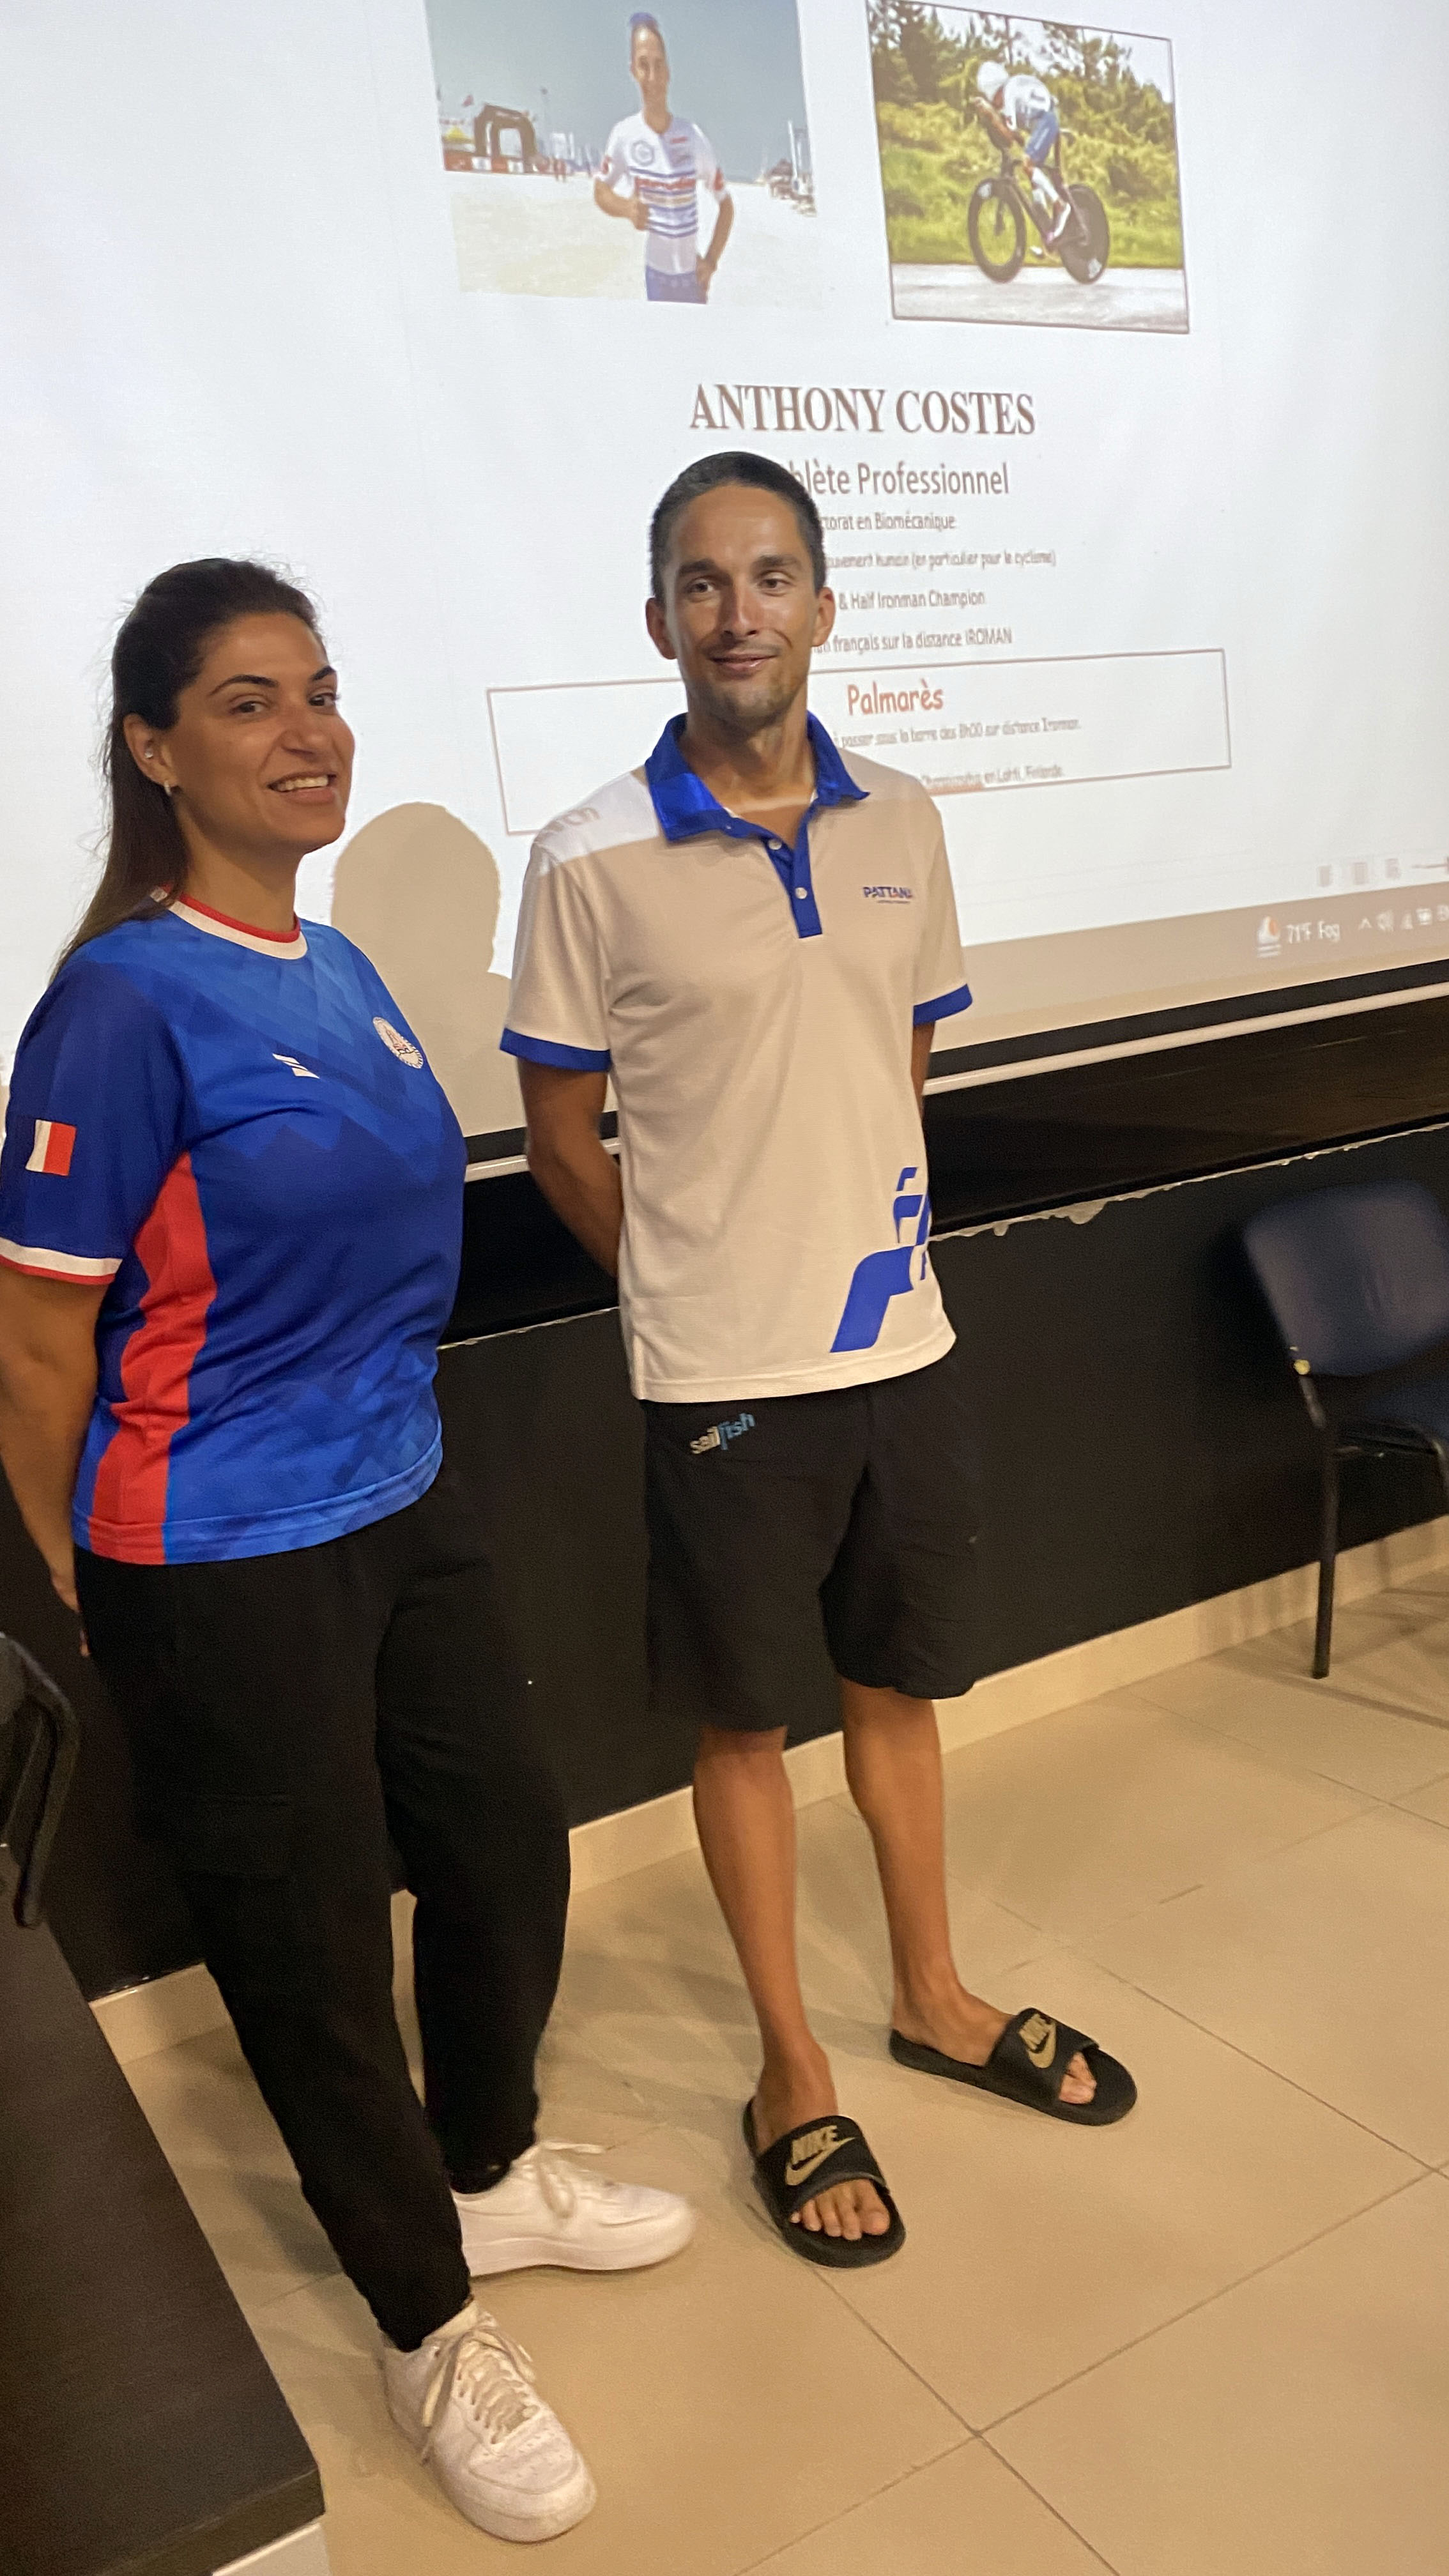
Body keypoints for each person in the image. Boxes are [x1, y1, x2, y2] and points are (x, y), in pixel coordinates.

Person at [0, 558, 693, 2543]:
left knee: (505, 1848)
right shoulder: (121, 1002)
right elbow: (37, 1338)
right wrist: (81, 1572)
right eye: (249, 701)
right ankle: (426, 2319)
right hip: (217, 1551)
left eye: (319, 690)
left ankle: (484, 2167)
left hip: (401, 1497)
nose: (308, 732)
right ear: (153, 750)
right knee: (307, 1952)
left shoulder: (341, 968)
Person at [504, 456, 1135, 2270]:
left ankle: (932, 1993)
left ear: (824, 607)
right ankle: (791, 2071)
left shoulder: (904, 822)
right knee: (741, 1721)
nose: (740, 614)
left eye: (771, 576)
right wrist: (687, 1289)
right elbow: (559, 1139)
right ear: (659, 622)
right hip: (722, 1376)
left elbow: (894, 1067)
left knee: (897, 1689)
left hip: (902, 1344)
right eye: (704, 584)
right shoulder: (586, 857)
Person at [594, 11, 733, 303]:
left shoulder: (692, 136)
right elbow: (601, 190)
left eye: (659, 65)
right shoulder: (625, 134)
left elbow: (726, 205)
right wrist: (626, 208)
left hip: (692, 278)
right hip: (656, 278)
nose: (653, 77)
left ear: (669, 71)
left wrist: (711, 261)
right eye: (644, 65)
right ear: (633, 70)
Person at [976, 57, 1073, 244]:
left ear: (995, 92)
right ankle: (1044, 218)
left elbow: (1010, 138)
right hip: (1045, 119)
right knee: (1031, 166)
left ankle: (1061, 206)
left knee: (1027, 163)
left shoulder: (1009, 94)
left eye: (993, 100)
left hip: (1047, 119)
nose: (994, 104)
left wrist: (992, 115)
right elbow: (1019, 138)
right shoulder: (1013, 87)